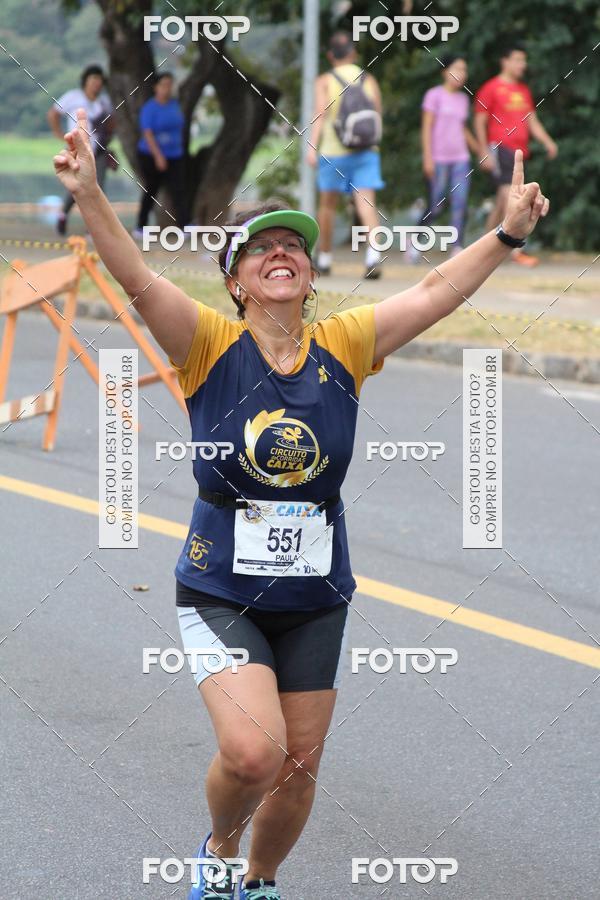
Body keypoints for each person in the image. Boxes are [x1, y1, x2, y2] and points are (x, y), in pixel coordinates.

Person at [54, 107, 549, 900]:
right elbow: (134, 274)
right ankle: (217, 851)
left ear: (311, 277)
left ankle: (260, 881)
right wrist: (88, 194)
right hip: (221, 586)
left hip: (316, 594)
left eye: (293, 247)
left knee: (297, 764)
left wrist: (506, 234)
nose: (279, 254)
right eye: (259, 249)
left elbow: (434, 291)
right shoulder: (208, 345)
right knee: (253, 754)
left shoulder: (346, 346)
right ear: (236, 281)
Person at [308, 31, 385, 278]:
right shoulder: (368, 78)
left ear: (330, 55)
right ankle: (373, 256)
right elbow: (378, 113)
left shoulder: (324, 81)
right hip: (366, 149)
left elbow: (320, 114)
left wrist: (312, 147)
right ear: (353, 53)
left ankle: (325, 258)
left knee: (328, 206)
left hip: (334, 151)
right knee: (366, 203)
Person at [474, 44, 558, 266]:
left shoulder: (523, 91)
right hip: (499, 147)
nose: (523, 65)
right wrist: (483, 151)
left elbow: (532, 120)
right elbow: (480, 120)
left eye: (524, 60)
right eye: (518, 59)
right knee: (506, 196)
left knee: (504, 200)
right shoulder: (491, 88)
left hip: (519, 152)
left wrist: (548, 142)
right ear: (505, 61)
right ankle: (509, 250)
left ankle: (484, 249)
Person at [410, 55, 479, 263]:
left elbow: (462, 128)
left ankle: (457, 246)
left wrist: (479, 149)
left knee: (460, 202)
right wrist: (428, 158)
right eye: (457, 68)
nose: (461, 74)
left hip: (461, 158)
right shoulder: (434, 96)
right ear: (444, 71)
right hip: (439, 158)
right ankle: (416, 241)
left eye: (464, 69)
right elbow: (426, 128)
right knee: (436, 204)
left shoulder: (463, 99)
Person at [48, 65, 114, 236]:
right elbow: (53, 113)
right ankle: (63, 214)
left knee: (98, 187)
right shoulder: (73, 97)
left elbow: (112, 123)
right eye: (93, 80)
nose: (96, 84)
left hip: (98, 152)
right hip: (77, 150)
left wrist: (108, 143)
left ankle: (93, 228)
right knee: (76, 186)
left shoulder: (104, 102)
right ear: (86, 81)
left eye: (99, 81)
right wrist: (59, 134)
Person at [132, 71, 187, 238]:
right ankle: (140, 226)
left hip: (175, 154)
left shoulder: (175, 105)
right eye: (163, 85)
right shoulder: (150, 108)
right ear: (156, 87)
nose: (167, 88)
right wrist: (158, 156)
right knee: (151, 190)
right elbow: (147, 133)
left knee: (178, 190)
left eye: (170, 85)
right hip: (152, 155)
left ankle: (185, 225)